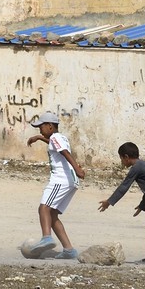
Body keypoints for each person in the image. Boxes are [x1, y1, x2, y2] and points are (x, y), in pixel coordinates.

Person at [27, 111, 86, 260]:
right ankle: (69, 250)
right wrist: (39, 138)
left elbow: (65, 152)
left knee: (43, 208)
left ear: (50, 126)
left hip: (61, 179)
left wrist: (78, 169)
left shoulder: (55, 138)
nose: (39, 129)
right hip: (69, 181)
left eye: (41, 127)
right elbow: (56, 146)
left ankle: (46, 238)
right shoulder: (59, 137)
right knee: (52, 215)